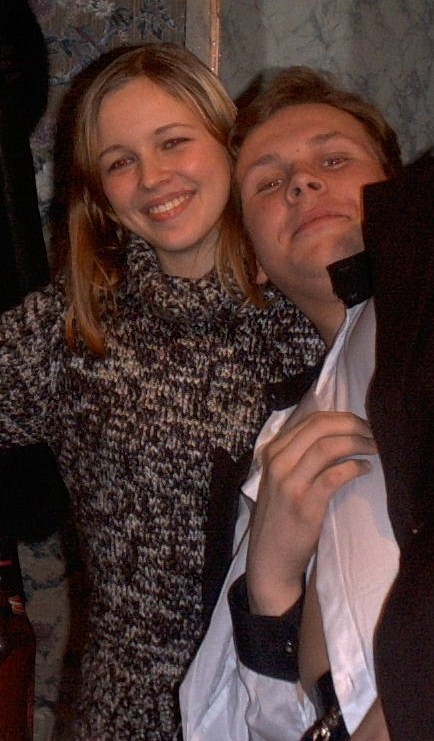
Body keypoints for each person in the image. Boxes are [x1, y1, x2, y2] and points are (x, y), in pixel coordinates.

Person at [0, 45, 325, 739]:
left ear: (228, 144)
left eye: (173, 142)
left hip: (284, 700)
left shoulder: (307, 306)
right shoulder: (74, 325)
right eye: (119, 162)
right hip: (130, 712)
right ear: (99, 194)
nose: (152, 178)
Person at [180, 66, 429, 740]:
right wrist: (271, 582)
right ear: (255, 260)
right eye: (268, 182)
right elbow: (246, 724)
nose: (302, 183)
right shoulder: (270, 447)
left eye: (334, 159)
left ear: (399, 195)